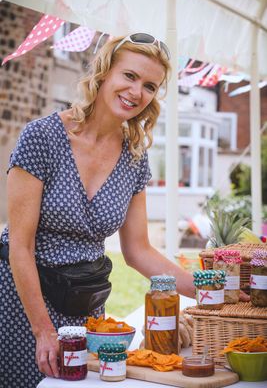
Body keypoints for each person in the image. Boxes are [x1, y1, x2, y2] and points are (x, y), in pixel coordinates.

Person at [0, 33, 195, 388]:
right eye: (130, 76)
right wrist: (42, 330)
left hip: (85, 307)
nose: (137, 92)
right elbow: (20, 247)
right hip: (21, 303)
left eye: (150, 86)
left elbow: (138, 251)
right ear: (105, 72)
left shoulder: (135, 157)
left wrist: (209, 291)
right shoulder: (41, 138)